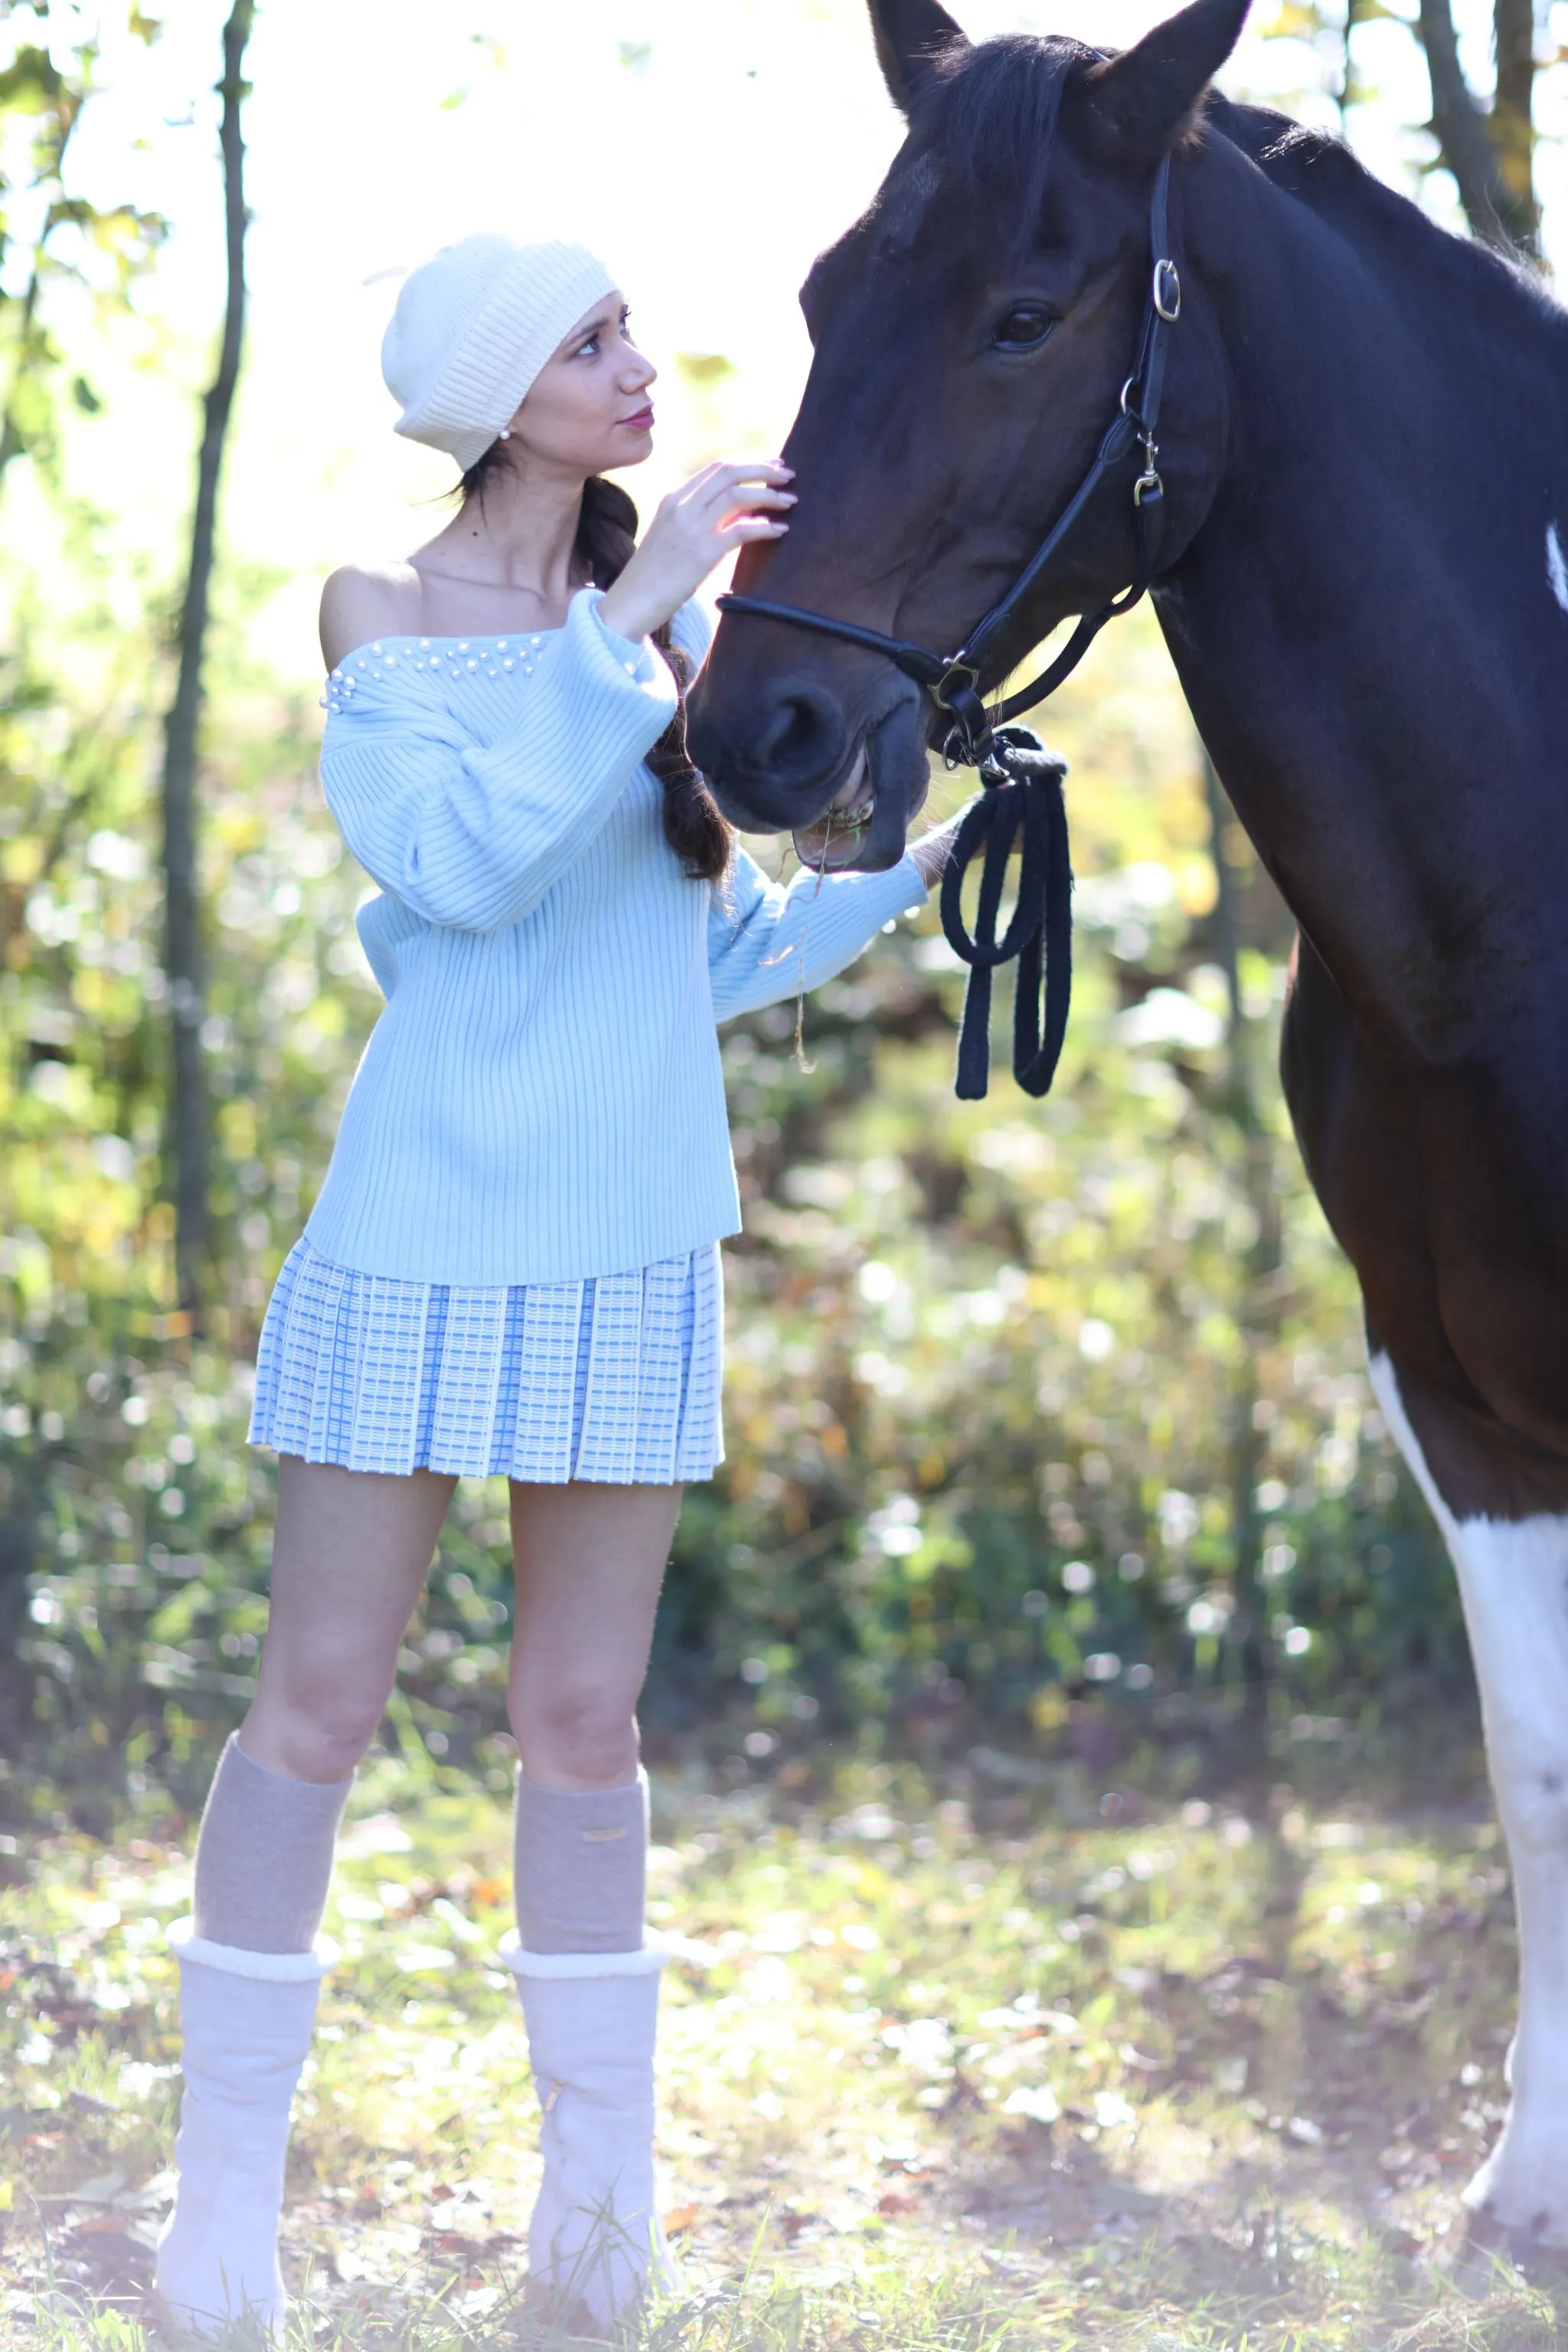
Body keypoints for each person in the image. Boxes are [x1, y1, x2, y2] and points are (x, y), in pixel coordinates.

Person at [152, 232, 962, 2341]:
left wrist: (913, 868)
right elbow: (461, 869)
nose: (637, 365)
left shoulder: (665, 642)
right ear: (504, 388)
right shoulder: (386, 615)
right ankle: (218, 2214)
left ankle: (599, 2227)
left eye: (629, 330)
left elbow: (690, 959)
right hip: (415, 1237)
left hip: (622, 1247)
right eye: (593, 339)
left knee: (582, 1725)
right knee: (316, 1711)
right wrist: (630, 618)